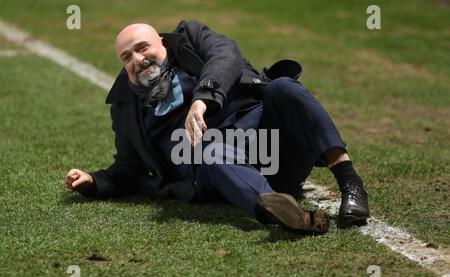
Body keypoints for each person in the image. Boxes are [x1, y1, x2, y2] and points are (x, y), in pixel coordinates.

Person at [65, 20, 370, 234]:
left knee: (284, 88)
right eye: (126, 57)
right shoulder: (126, 108)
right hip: (217, 165)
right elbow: (128, 168)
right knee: (211, 152)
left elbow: (226, 54)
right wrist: (94, 181)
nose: (138, 59)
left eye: (142, 48)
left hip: (271, 145)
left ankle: (350, 184)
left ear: (163, 43)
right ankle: (287, 213)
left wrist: (202, 100)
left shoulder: (191, 38)